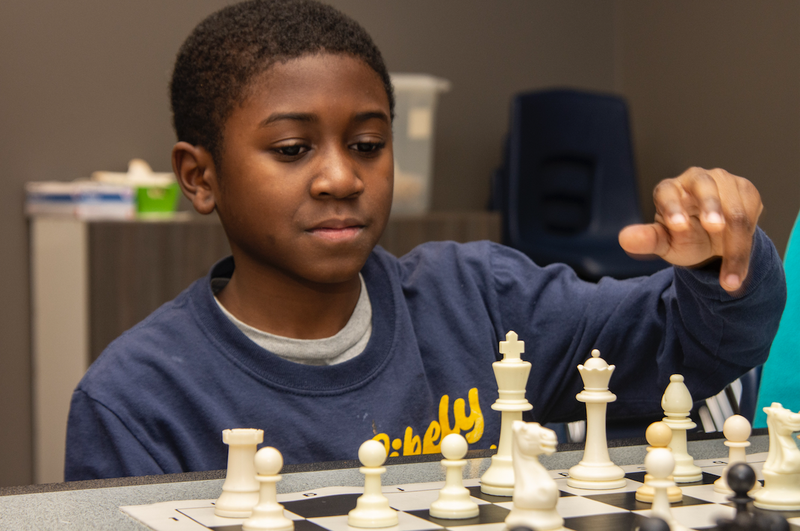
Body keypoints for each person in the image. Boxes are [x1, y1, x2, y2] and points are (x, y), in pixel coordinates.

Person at [64, 0, 786, 481]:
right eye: (291, 149)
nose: (341, 177)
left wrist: (717, 261)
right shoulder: (136, 399)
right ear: (200, 176)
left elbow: (691, 347)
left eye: (369, 142)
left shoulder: (481, 299)